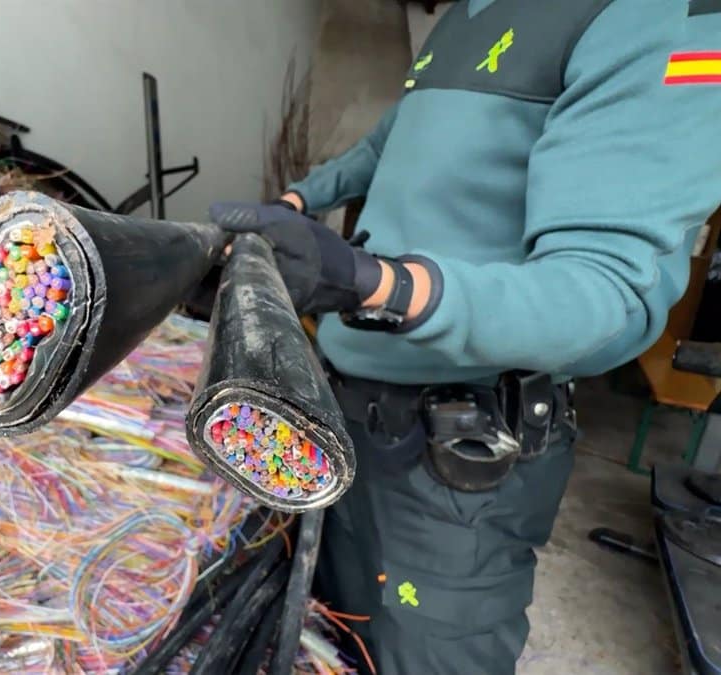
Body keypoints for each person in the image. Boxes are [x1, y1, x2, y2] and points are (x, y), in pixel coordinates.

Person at [207, 0, 721, 672]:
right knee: (328, 635)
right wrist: (294, 205)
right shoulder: (463, 17)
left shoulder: (660, 18)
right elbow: (388, 143)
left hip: (453, 462)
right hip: (347, 409)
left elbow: (604, 298)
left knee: (424, 652)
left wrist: (375, 283)